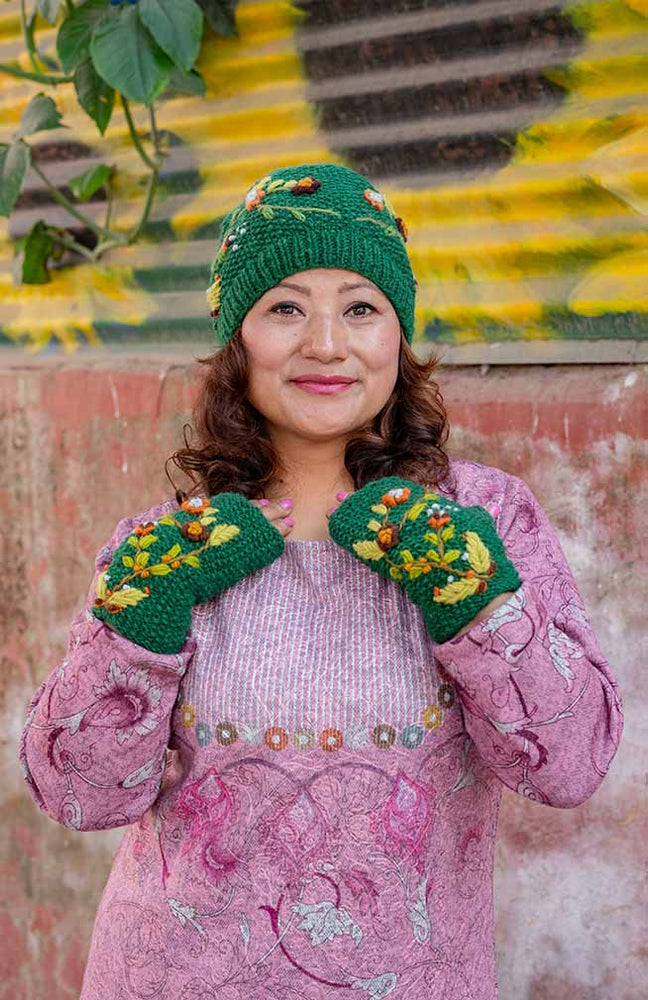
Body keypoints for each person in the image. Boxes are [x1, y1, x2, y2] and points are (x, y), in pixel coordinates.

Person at [19, 162, 624, 1000]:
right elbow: (78, 794)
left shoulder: (484, 521)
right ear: (240, 339)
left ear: (397, 336)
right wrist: (140, 619)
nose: (327, 344)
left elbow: (568, 767)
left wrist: (472, 595)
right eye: (286, 308)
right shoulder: (169, 546)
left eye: (362, 307)